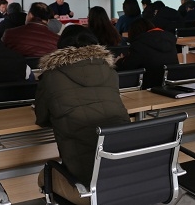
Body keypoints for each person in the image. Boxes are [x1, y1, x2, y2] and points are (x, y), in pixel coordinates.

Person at [35, 25, 130, 205]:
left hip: (86, 185)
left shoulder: (50, 77)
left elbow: (42, 119)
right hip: (128, 172)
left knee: (43, 175)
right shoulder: (110, 72)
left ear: (62, 47)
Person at [115, 18, 178, 88]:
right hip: (170, 86)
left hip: (148, 87)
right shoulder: (170, 41)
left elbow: (127, 68)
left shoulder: (139, 44)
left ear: (133, 33)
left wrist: (119, 61)